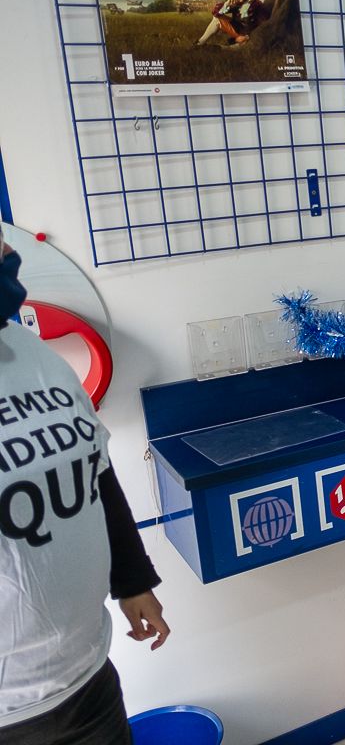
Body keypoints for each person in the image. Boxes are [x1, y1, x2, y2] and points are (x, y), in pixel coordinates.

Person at [0, 234, 170, 745]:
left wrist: (132, 580)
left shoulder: (30, 349)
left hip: (87, 677)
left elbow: (95, 469)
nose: (7, 250)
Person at [196, 0, 268, 46]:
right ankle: (199, 43)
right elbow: (216, 14)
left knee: (239, 47)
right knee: (217, 19)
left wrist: (247, 36)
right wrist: (226, 5)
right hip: (237, 31)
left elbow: (263, 25)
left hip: (248, 35)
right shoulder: (236, 4)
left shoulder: (256, 4)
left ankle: (217, 48)